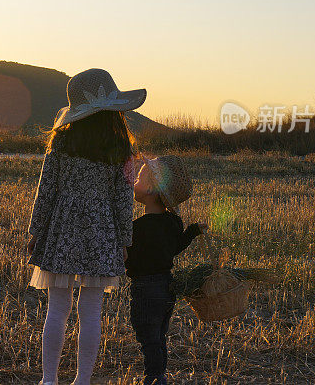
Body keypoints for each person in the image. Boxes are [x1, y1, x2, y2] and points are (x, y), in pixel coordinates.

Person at [26, 68, 146, 385]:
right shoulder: (122, 150)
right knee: (91, 311)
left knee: (57, 308)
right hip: (102, 231)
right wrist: (124, 240)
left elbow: (46, 190)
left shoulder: (61, 143)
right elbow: (123, 200)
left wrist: (36, 231)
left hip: (61, 228)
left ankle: (48, 380)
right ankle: (82, 381)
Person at [124, 155, 207, 385]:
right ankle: (159, 374)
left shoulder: (136, 229)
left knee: (148, 337)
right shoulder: (173, 222)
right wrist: (192, 231)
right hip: (166, 287)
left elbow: (130, 261)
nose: (133, 183)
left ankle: (154, 378)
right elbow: (174, 248)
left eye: (138, 179)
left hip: (145, 290)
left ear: (151, 189)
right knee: (158, 337)